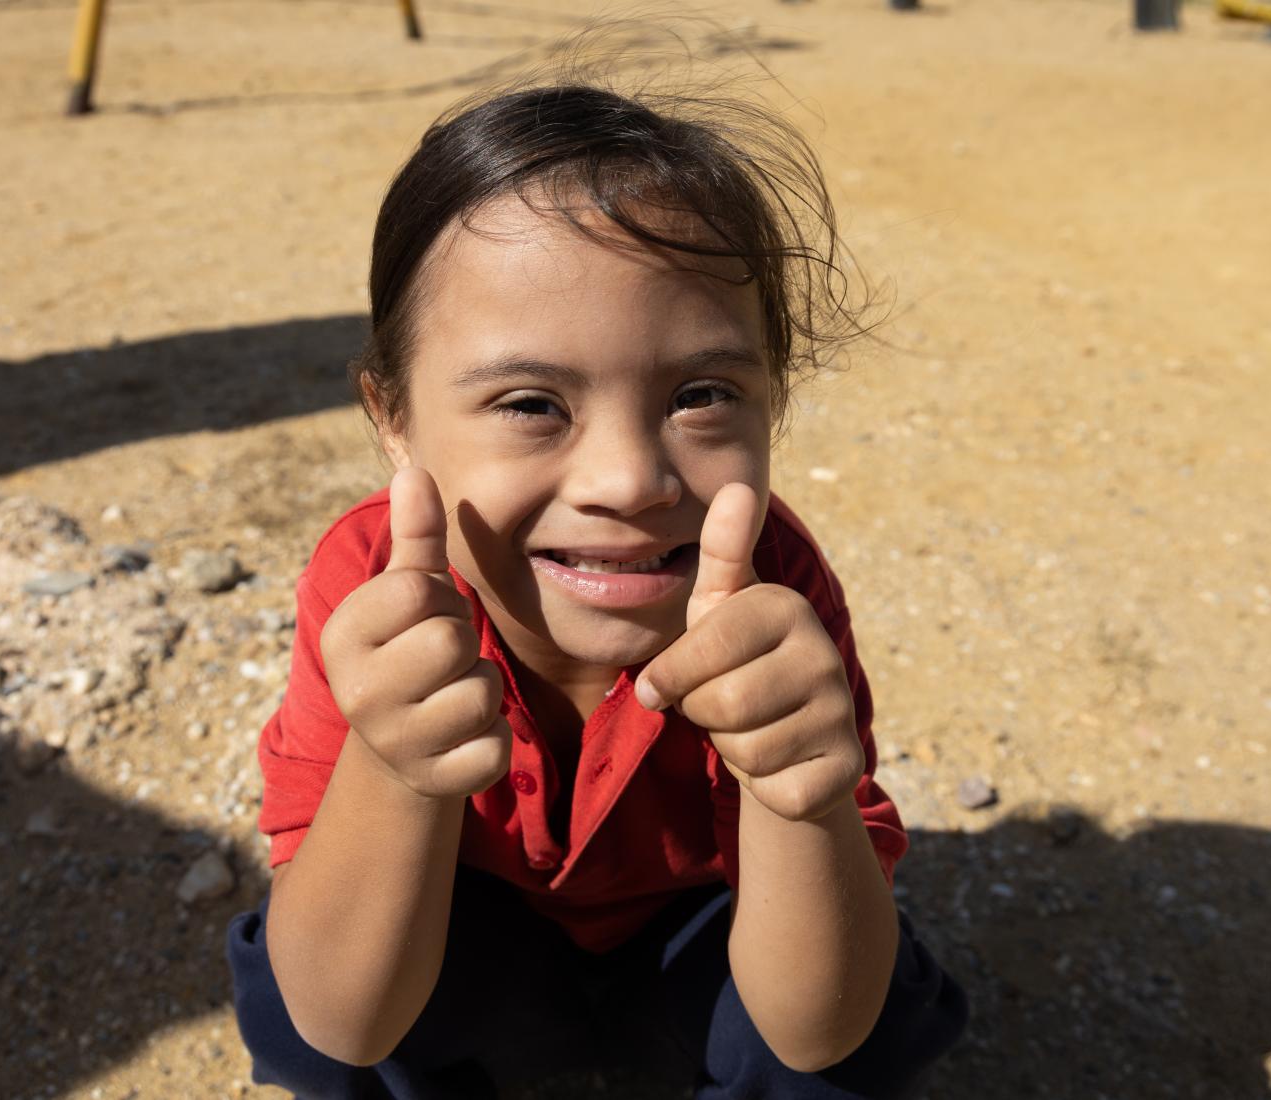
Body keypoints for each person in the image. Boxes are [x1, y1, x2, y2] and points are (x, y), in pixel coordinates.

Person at [226, 76, 968, 1099]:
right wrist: (395, 769)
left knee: (863, 1026)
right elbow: (339, 1019)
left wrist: (800, 798)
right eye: (531, 402)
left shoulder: (770, 592)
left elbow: (817, 1031)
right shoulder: (373, 589)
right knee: (298, 973)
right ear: (392, 414)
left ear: (774, 399)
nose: (629, 480)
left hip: (694, 934)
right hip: (472, 938)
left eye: (701, 395)